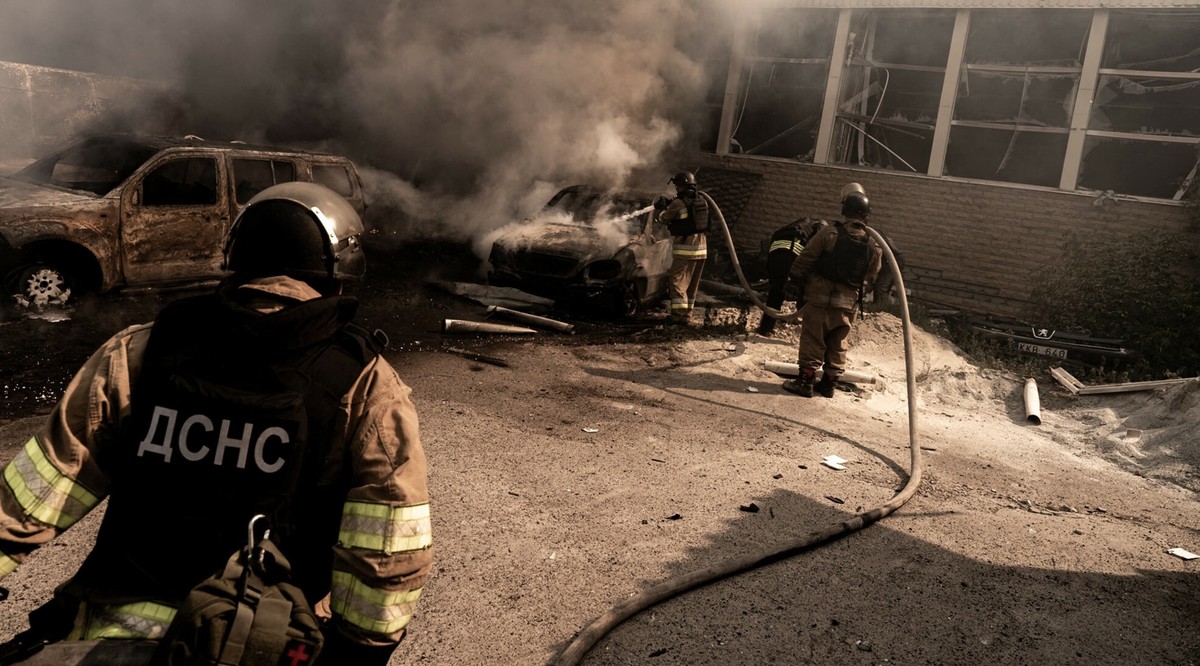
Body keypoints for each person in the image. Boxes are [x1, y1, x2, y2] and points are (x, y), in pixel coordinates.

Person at [0, 182, 432, 664]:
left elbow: (34, 494)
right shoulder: (367, 385)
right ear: (341, 277)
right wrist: (356, 653)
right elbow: (390, 552)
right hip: (258, 643)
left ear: (235, 260)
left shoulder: (140, 350)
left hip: (108, 638)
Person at [782, 184, 883, 398]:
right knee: (838, 342)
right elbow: (872, 272)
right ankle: (829, 384)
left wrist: (794, 279)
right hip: (847, 303)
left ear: (844, 210)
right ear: (867, 214)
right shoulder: (874, 245)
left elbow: (806, 257)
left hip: (820, 298)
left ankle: (805, 382)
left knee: (813, 338)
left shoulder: (829, 233)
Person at [755, 216, 828, 336]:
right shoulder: (820, 231)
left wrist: (771, 275)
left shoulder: (797, 226)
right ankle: (808, 331)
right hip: (793, 256)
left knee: (775, 293)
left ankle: (765, 329)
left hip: (775, 255)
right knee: (805, 292)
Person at [653, 171, 709, 323]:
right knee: (691, 284)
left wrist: (661, 209)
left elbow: (663, 219)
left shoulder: (678, 203)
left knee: (676, 281)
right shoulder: (702, 200)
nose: (676, 188)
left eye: (677, 186)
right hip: (701, 248)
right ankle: (687, 314)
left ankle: (678, 316)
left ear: (683, 186)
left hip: (686, 248)